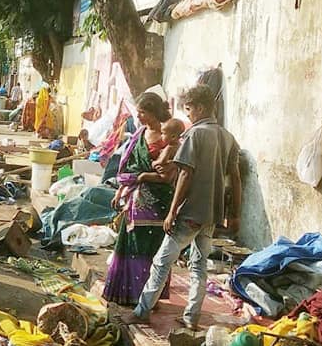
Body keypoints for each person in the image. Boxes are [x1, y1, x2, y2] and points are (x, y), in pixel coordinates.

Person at [124, 85, 241, 330]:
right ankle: (191, 317)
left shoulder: (194, 135)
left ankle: (142, 310)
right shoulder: (228, 137)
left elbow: (185, 175)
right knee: (198, 266)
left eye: (188, 109)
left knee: (161, 261)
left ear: (198, 108)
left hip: (190, 212)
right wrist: (234, 214)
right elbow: (236, 179)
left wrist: (172, 211)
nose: (187, 115)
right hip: (212, 215)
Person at [103, 93, 176, 306]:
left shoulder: (168, 136)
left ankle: (148, 298)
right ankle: (128, 294)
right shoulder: (140, 134)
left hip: (159, 199)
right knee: (131, 244)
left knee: (153, 247)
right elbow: (130, 167)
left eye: (142, 112)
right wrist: (120, 191)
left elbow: (170, 172)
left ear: (154, 112)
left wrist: (146, 176)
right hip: (135, 198)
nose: (139, 116)